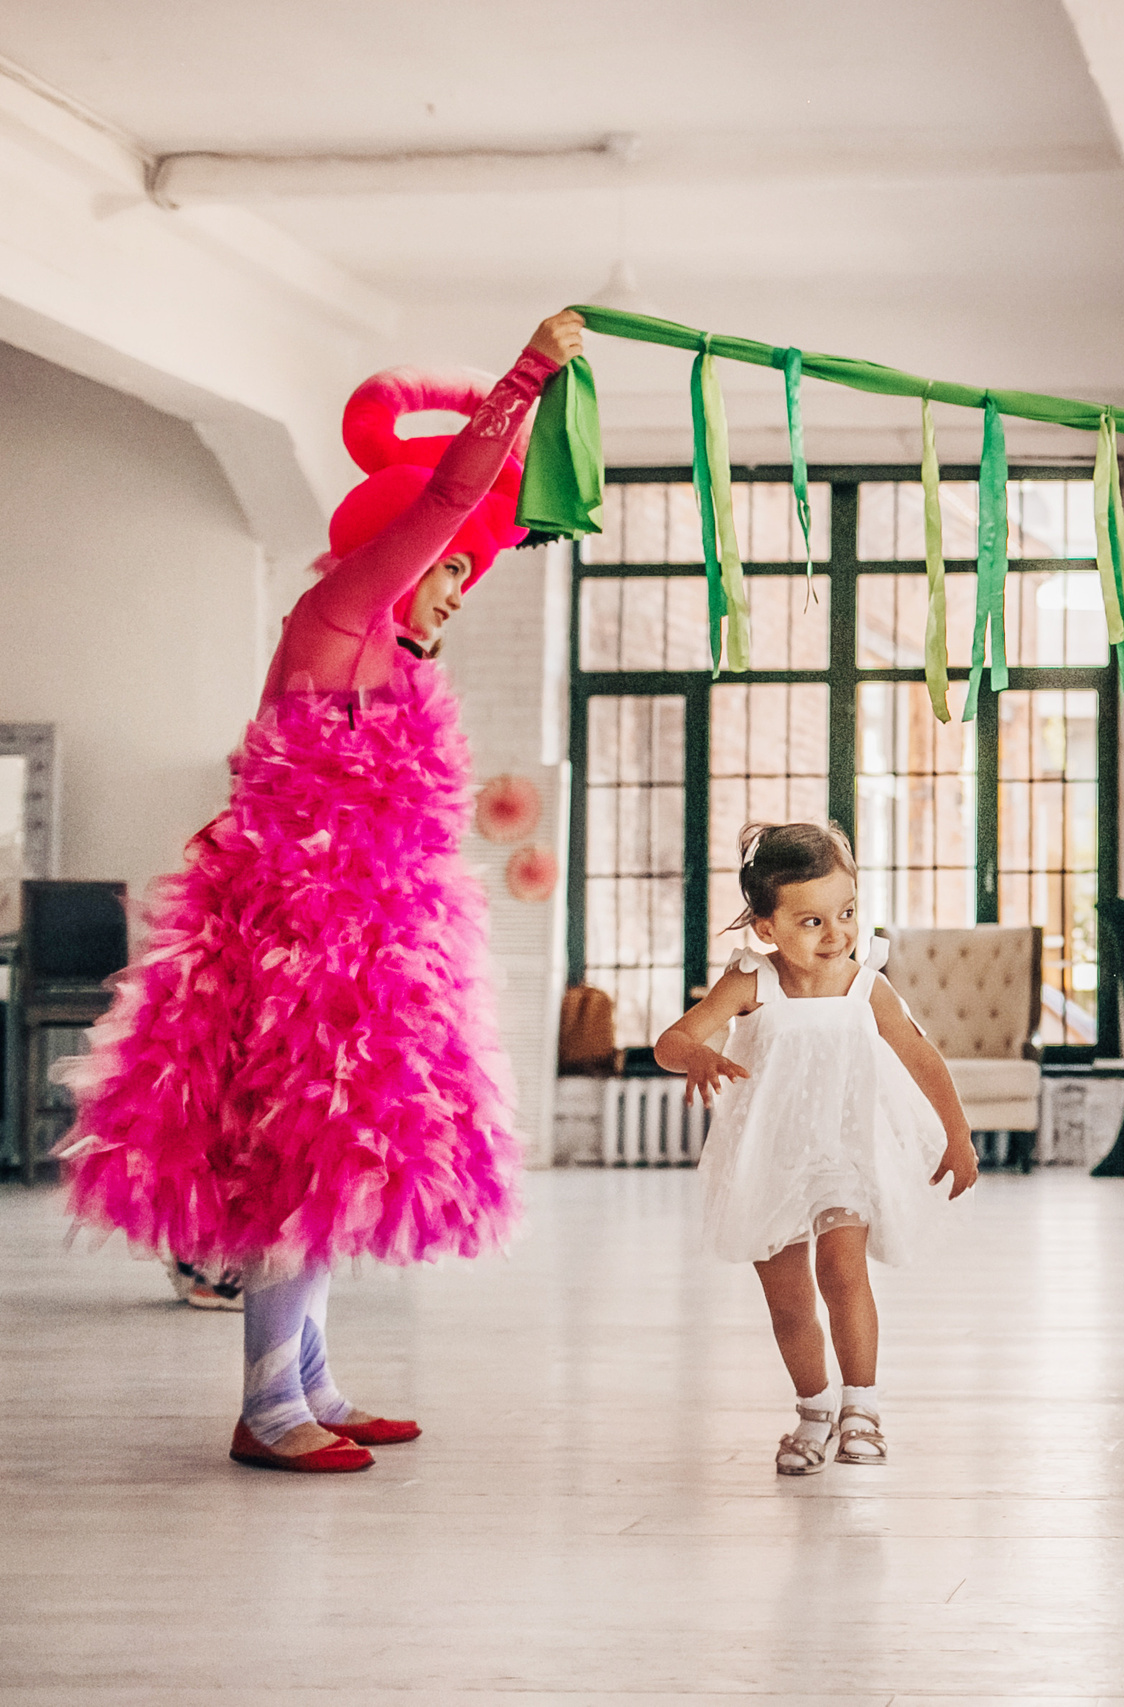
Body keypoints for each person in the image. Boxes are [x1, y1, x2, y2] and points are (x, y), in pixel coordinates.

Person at [56, 310, 584, 1473]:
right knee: (296, 1168)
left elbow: (461, 532)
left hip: (356, 936)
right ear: (401, 557)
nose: (454, 591)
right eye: (448, 575)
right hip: (300, 935)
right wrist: (527, 376)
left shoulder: (390, 661)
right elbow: (446, 500)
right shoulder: (338, 617)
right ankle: (265, 1410)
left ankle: (312, 1385)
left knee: (330, 1164)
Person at [655, 824, 979, 1476]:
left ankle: (862, 1406)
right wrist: (695, 1051)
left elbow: (922, 1056)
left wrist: (958, 1135)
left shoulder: (865, 985)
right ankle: (813, 1407)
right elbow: (672, 1039)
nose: (836, 934)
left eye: (848, 913)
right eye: (811, 920)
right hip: (770, 1158)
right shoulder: (753, 982)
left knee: (842, 1270)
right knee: (789, 1301)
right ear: (768, 929)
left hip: (844, 1152)